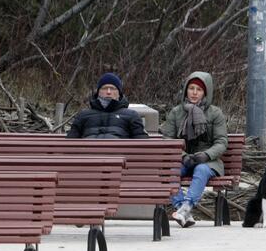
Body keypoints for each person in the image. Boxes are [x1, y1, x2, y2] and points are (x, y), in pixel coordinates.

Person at [161, 71, 228, 227]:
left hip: (208, 161)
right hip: (183, 158)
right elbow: (167, 139)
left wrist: (206, 155)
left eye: (199, 89)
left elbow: (221, 141)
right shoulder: (176, 112)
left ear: (206, 92)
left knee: (201, 170)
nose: (194, 93)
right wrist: (183, 155)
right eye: (191, 88)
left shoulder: (215, 113)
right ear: (186, 90)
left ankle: (186, 207)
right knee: (169, 173)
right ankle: (182, 209)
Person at [67, 72, 149, 139]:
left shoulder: (132, 115)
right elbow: (70, 143)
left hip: (119, 157)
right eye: (105, 88)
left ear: (119, 93)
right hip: (88, 157)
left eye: (113, 88)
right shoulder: (83, 115)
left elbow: (142, 144)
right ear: (98, 92)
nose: (108, 92)